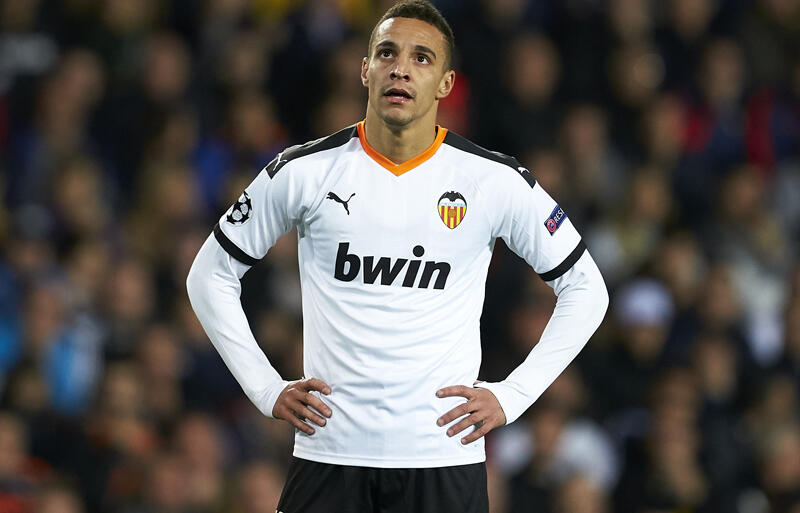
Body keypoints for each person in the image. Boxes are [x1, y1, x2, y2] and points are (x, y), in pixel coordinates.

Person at [186, 2, 608, 512]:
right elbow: (209, 276)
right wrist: (264, 388)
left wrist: (513, 395)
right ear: (365, 70)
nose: (401, 68)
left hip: (442, 458)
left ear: (446, 84)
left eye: (421, 58)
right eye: (387, 53)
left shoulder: (493, 181)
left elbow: (587, 289)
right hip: (329, 453)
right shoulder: (303, 171)